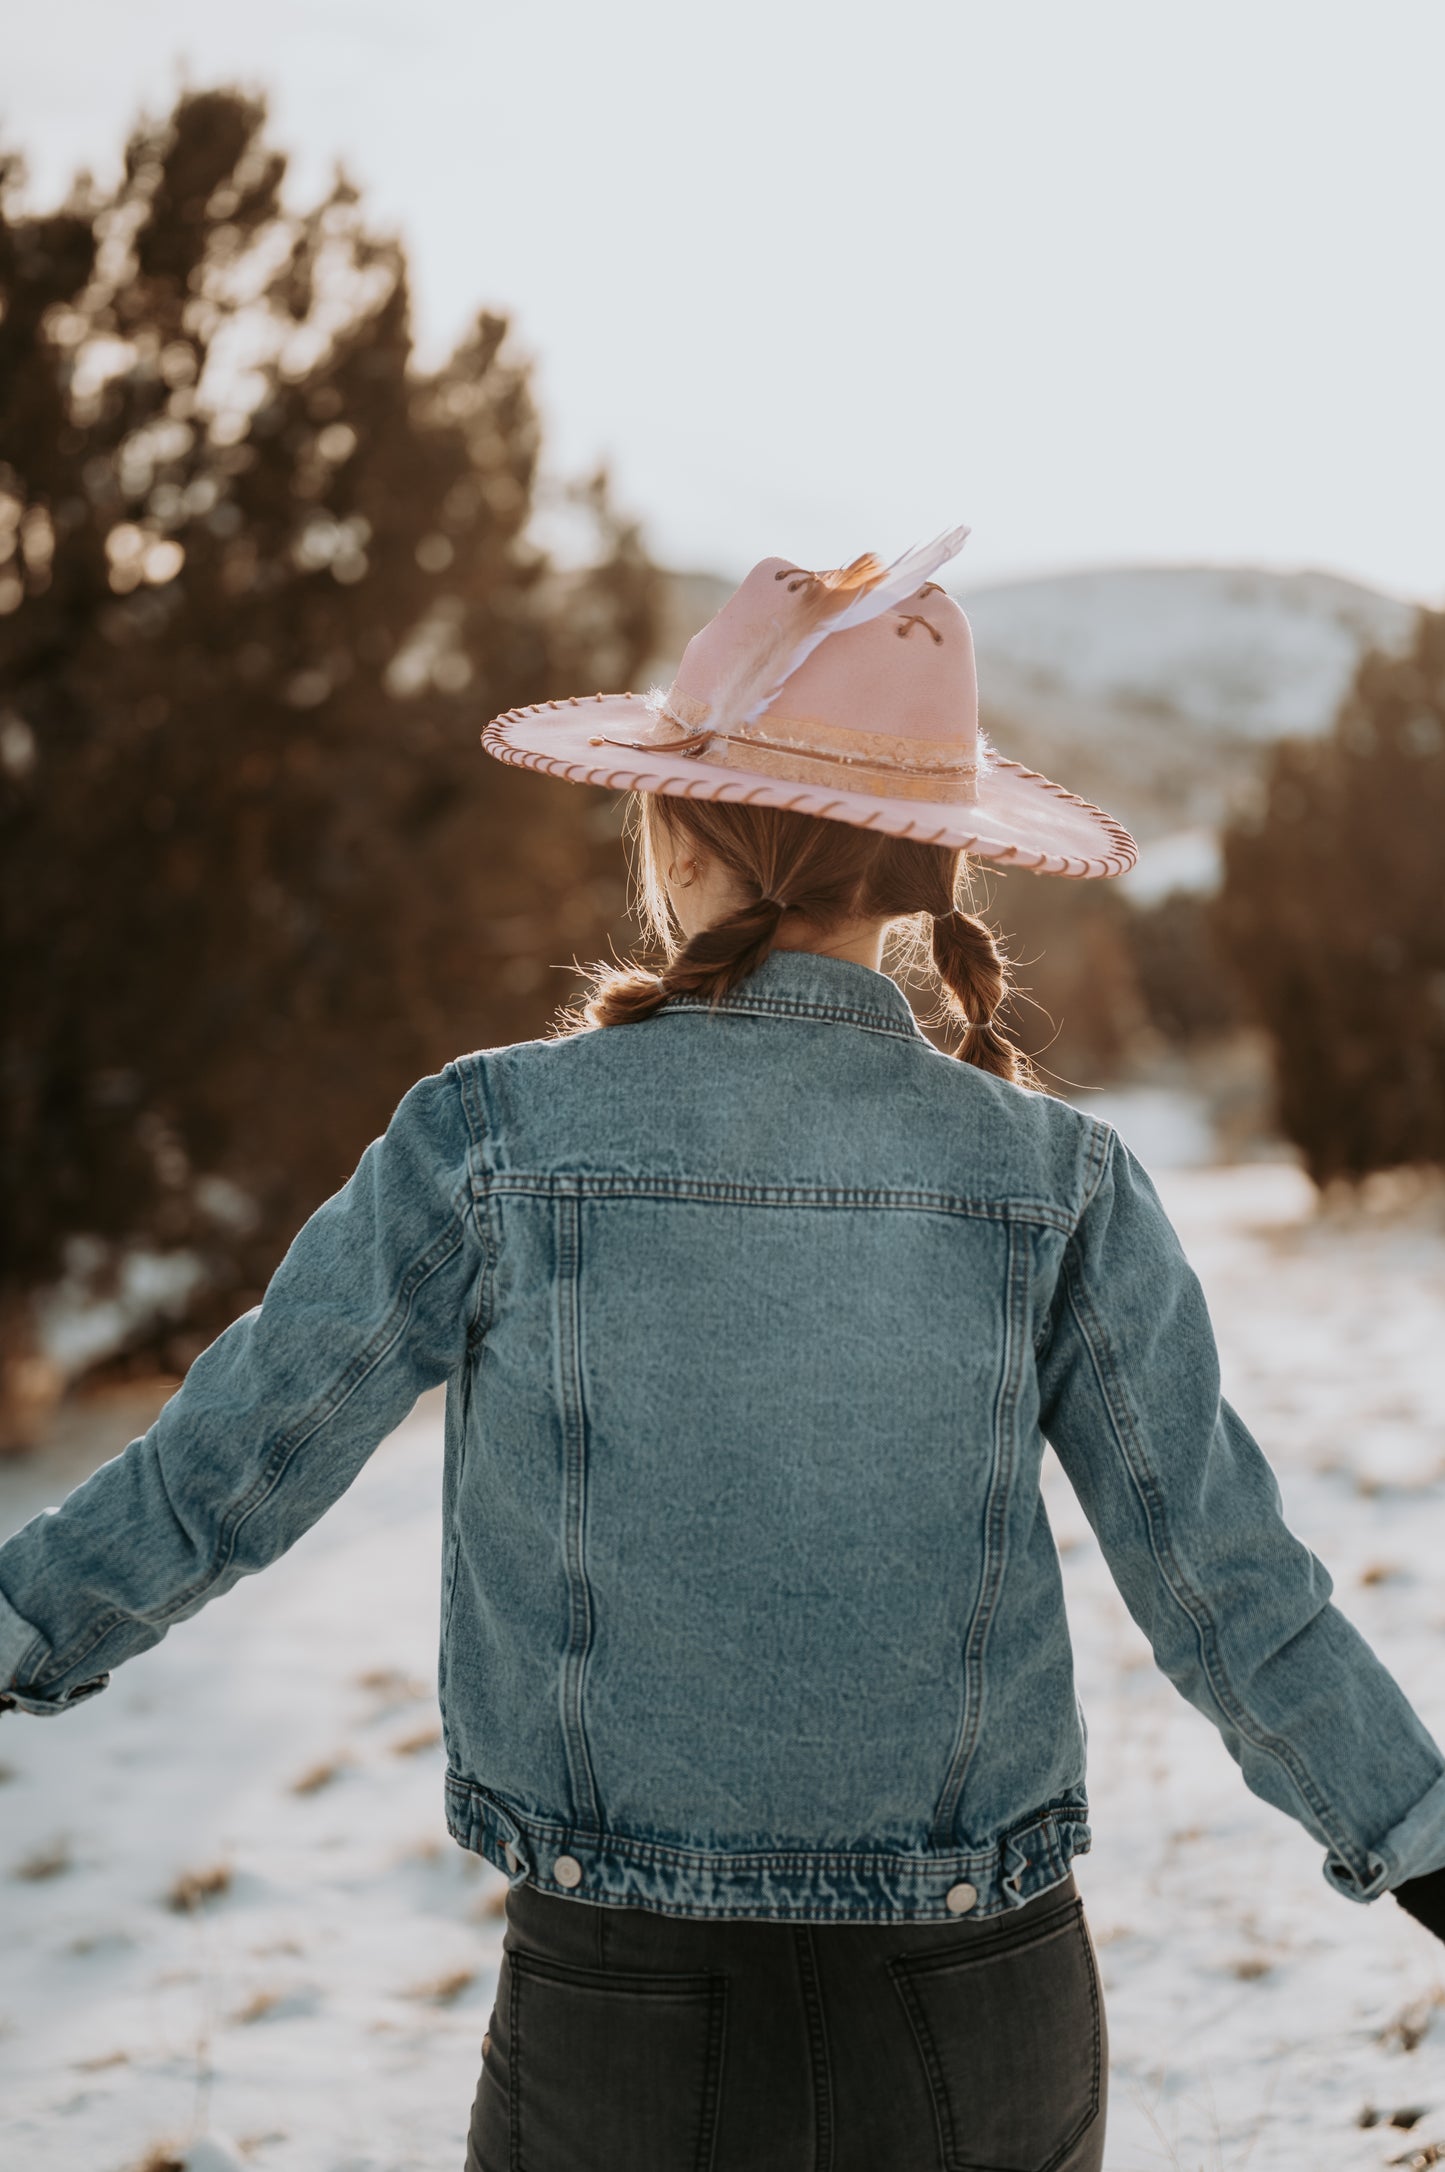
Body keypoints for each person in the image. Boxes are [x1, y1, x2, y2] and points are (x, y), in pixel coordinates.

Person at [3, 530, 1443, 2172]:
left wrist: (20, 1627)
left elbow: (229, 1469)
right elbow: (1227, 1586)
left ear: (678, 838)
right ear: (921, 872)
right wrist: (1417, 1840)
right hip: (984, 2005)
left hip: (628, 2015)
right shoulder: (1061, 1182)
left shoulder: (487, 1138)